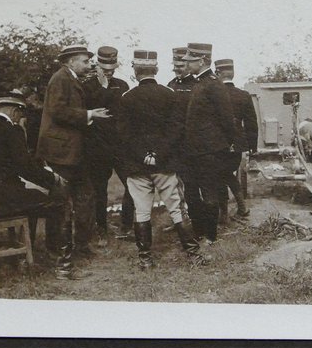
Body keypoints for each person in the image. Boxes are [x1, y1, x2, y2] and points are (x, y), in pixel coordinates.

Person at [117, 50, 208, 268]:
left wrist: (144, 155)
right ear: (156, 70)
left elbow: (123, 135)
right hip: (165, 164)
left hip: (137, 165)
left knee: (141, 211)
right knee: (176, 208)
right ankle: (193, 254)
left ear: (135, 71)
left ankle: (145, 259)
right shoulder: (170, 94)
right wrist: (158, 154)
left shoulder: (126, 98)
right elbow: (176, 129)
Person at [0, 89, 70, 276]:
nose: (20, 119)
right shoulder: (12, 130)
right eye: (20, 115)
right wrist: (53, 178)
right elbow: (25, 168)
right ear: (14, 111)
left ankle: (24, 255)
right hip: (2, 201)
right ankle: (61, 262)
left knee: (31, 197)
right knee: (58, 203)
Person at [36, 45, 110, 276]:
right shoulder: (60, 79)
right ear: (71, 62)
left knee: (86, 197)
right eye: (85, 61)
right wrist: (89, 114)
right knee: (61, 204)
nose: (89, 65)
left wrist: (100, 91)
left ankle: (80, 246)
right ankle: (57, 252)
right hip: (61, 153)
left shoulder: (71, 79)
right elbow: (57, 110)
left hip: (72, 152)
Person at [181, 43, 236, 244]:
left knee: (209, 193)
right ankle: (198, 232)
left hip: (210, 151)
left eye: (191, 61)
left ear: (202, 61)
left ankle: (210, 236)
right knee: (191, 193)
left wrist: (223, 145)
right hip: (193, 151)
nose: (187, 64)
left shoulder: (214, 85)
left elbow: (227, 119)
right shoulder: (199, 83)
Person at [82, 46, 132, 246]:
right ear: (97, 66)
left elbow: (125, 113)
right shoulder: (87, 87)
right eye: (105, 69)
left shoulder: (122, 85)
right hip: (97, 147)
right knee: (99, 191)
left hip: (120, 146)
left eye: (112, 68)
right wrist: (103, 88)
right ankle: (101, 229)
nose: (109, 72)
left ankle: (126, 225)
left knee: (132, 183)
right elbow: (93, 110)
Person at [214, 58, 258, 222]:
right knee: (226, 173)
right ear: (232, 73)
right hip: (237, 145)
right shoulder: (243, 95)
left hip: (218, 143)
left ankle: (225, 213)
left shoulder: (214, 95)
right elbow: (251, 123)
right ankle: (240, 207)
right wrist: (252, 148)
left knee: (220, 175)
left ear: (218, 73)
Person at [164, 47, 195, 232]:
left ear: (188, 65)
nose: (177, 69)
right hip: (175, 144)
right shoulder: (171, 84)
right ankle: (180, 219)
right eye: (175, 66)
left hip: (191, 143)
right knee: (175, 185)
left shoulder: (196, 85)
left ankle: (195, 220)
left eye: (181, 66)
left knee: (192, 184)